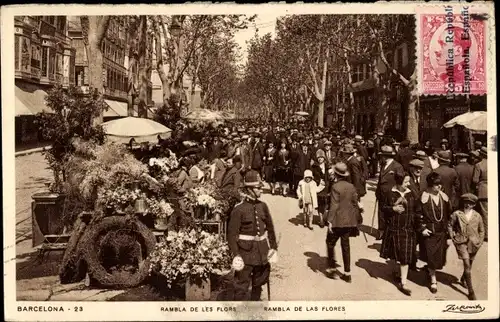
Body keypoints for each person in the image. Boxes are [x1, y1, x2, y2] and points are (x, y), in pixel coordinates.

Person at [227, 170, 278, 301]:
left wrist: (273, 248)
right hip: (245, 254)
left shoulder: (263, 206)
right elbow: (232, 235)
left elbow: (270, 229)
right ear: (249, 189)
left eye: (261, 187)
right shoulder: (239, 209)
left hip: (262, 253)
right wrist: (236, 255)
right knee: (241, 287)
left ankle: (255, 311)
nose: (261, 190)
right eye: (258, 187)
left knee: (258, 284)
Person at [380, 172, 421, 296]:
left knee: (405, 256)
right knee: (396, 253)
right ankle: (397, 273)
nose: (408, 184)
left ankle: (403, 283)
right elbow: (383, 208)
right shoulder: (390, 193)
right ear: (398, 182)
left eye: (409, 181)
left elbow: (417, 210)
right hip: (394, 228)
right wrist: (393, 209)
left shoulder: (412, 194)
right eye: (406, 182)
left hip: (408, 229)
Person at [325, 162, 363, 283]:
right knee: (345, 245)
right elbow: (354, 202)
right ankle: (347, 273)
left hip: (337, 221)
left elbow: (334, 205)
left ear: (336, 174)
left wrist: (329, 221)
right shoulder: (351, 186)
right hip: (349, 221)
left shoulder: (335, 187)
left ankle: (331, 269)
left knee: (330, 243)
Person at [418, 172, 452, 294]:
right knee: (432, 257)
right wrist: (422, 228)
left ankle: (430, 271)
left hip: (441, 232)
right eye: (436, 185)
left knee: (439, 259)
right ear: (430, 185)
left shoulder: (444, 197)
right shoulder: (423, 197)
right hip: (429, 232)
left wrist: (449, 235)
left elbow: (448, 217)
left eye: (440, 184)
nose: (439, 187)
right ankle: (433, 280)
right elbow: (417, 214)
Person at [448, 193, 485, 300]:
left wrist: (480, 241)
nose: (467, 205)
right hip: (461, 242)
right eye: (466, 202)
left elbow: (482, 230)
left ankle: (464, 279)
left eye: (470, 203)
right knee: (467, 264)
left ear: (474, 205)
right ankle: (471, 291)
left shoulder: (477, 216)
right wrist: (453, 236)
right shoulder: (457, 214)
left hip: (474, 244)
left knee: (470, 264)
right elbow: (450, 225)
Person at [376, 145, 405, 239]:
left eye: (382, 156)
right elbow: (380, 180)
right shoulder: (383, 165)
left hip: (391, 194)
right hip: (382, 193)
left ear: (386, 156)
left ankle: (389, 232)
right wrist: (377, 191)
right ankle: (381, 230)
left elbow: (400, 182)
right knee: (381, 212)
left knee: (390, 212)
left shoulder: (397, 166)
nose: (381, 157)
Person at [472, 147, 488, 241]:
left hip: (483, 191)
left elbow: (475, 180)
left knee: (485, 214)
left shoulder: (479, 165)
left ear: (481, 155)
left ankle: (486, 235)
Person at [312, 149, 330, 228]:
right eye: (318, 157)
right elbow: (311, 177)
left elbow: (331, 177)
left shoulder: (328, 166)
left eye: (321, 157)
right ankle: (321, 220)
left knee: (327, 204)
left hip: (327, 187)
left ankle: (326, 218)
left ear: (324, 158)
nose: (320, 159)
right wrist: (318, 181)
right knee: (320, 204)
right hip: (318, 188)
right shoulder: (314, 167)